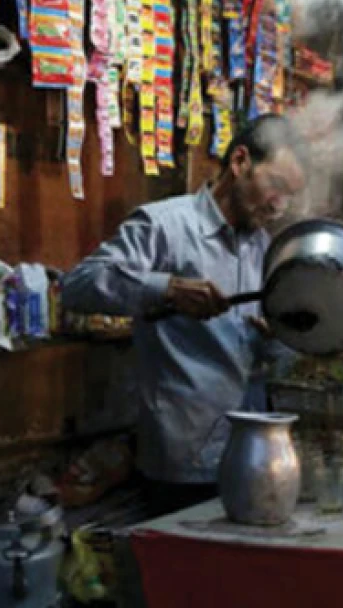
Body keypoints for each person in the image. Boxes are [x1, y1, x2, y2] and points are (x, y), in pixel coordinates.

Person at [61, 114, 306, 515]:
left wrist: (278, 336)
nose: (279, 207)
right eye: (276, 187)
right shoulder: (165, 225)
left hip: (250, 452)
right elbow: (80, 284)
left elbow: (266, 357)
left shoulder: (262, 246)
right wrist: (167, 289)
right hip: (183, 461)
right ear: (240, 161)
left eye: (289, 196)